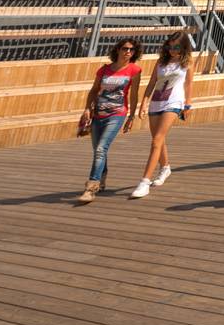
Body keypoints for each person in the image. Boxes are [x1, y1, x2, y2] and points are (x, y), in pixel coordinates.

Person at [131, 30, 195, 199]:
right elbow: (152, 83)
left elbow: (188, 84)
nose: (172, 50)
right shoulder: (161, 62)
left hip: (173, 102)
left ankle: (144, 182)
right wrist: (144, 102)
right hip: (156, 101)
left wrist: (188, 103)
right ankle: (165, 167)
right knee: (159, 139)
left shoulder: (187, 62)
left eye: (177, 47)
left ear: (184, 47)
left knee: (156, 140)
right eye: (170, 46)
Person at [76, 38, 142, 202]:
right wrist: (86, 109)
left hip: (117, 114)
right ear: (118, 50)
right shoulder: (104, 70)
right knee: (99, 150)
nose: (128, 52)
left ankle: (91, 187)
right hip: (98, 113)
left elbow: (133, 96)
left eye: (132, 50)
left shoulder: (134, 70)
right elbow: (94, 90)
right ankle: (102, 177)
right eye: (125, 48)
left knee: (100, 148)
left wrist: (131, 116)